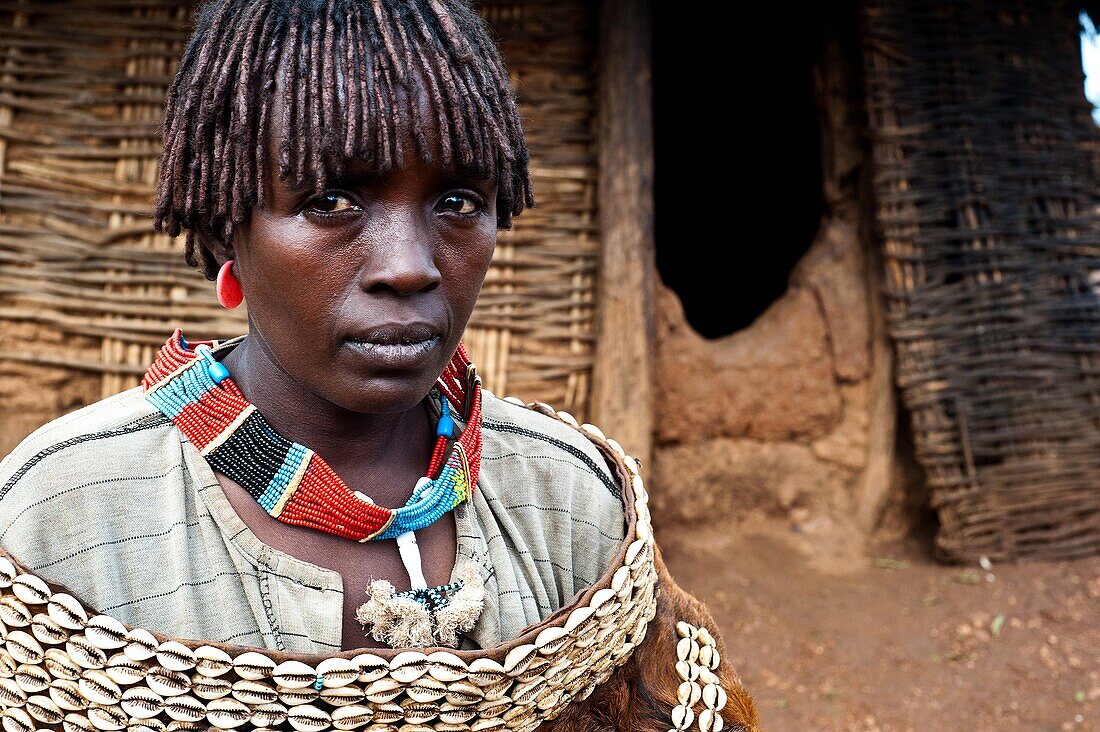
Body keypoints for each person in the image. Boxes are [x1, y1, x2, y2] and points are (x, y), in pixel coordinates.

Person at [0, 1, 757, 729]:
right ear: (227, 224)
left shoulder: (570, 502)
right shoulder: (61, 519)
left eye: (460, 201)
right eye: (331, 200)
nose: (408, 266)